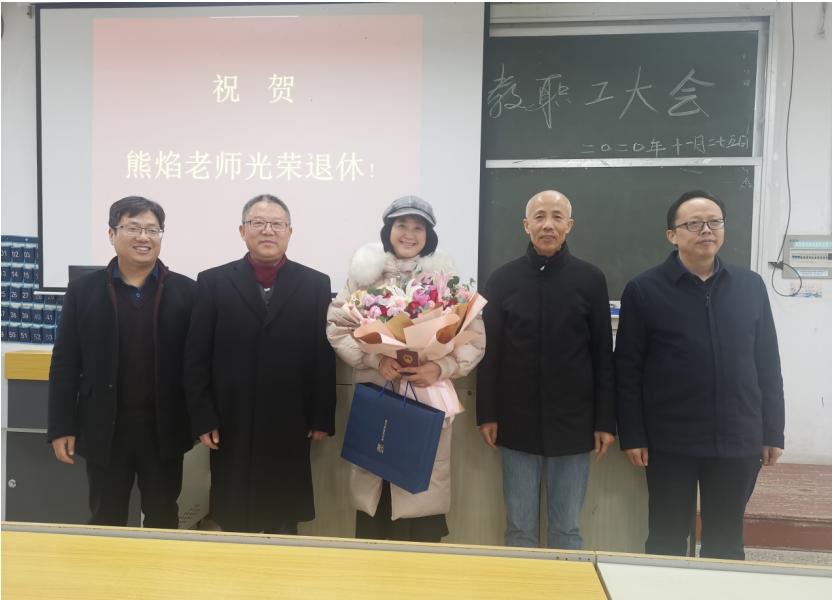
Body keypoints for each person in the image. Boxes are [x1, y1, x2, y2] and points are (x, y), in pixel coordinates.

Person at [615, 190, 785, 560]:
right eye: (693, 223)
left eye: (714, 222)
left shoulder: (751, 286)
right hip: (669, 441)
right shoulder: (644, 290)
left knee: (726, 543)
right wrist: (633, 435)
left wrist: (773, 430)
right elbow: (627, 370)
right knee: (666, 539)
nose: (706, 230)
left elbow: (767, 364)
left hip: (738, 439)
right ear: (672, 235)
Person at [326, 195, 485, 543]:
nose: (409, 234)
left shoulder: (446, 282)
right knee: (375, 489)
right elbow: (337, 327)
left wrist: (440, 367)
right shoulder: (362, 279)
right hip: (377, 396)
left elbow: (474, 339)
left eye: (418, 227)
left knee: (419, 494)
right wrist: (375, 359)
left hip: (424, 400)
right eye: (402, 225)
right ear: (388, 230)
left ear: (429, 235)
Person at [184, 194, 336, 534]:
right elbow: (196, 357)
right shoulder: (212, 281)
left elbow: (322, 355)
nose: (268, 230)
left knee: (284, 512)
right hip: (231, 416)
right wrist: (202, 417)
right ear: (242, 230)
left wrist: (321, 416)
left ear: (289, 232)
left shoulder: (315, 283)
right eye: (258, 223)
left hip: (291, 416)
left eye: (277, 224)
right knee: (233, 510)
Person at [476, 190, 616, 550]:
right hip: (516, 418)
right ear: (527, 225)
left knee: (567, 528)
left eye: (557, 216)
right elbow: (490, 353)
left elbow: (603, 353)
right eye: (539, 217)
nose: (548, 225)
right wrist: (487, 414)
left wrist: (605, 421)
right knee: (519, 527)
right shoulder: (502, 279)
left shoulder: (591, 278)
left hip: (575, 421)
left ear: (569, 225)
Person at [48, 196, 196, 528]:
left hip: (164, 429)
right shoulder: (83, 291)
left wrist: (199, 421)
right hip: (104, 427)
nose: (144, 237)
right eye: (133, 227)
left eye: (152, 229)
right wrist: (61, 426)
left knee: (163, 516)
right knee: (106, 516)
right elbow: (65, 363)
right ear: (112, 234)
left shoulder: (187, 292)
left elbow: (197, 365)